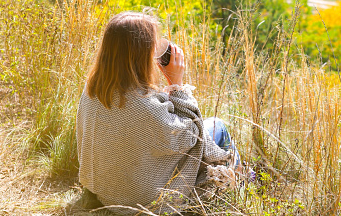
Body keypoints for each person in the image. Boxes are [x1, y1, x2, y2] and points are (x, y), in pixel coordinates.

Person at [75, 11, 240, 215]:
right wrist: (177, 84)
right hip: (143, 201)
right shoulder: (145, 107)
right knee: (218, 126)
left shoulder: (93, 89)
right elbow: (192, 136)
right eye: (154, 47)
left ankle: (238, 178)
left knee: (211, 133)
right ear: (140, 54)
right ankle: (239, 184)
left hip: (105, 193)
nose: (157, 53)